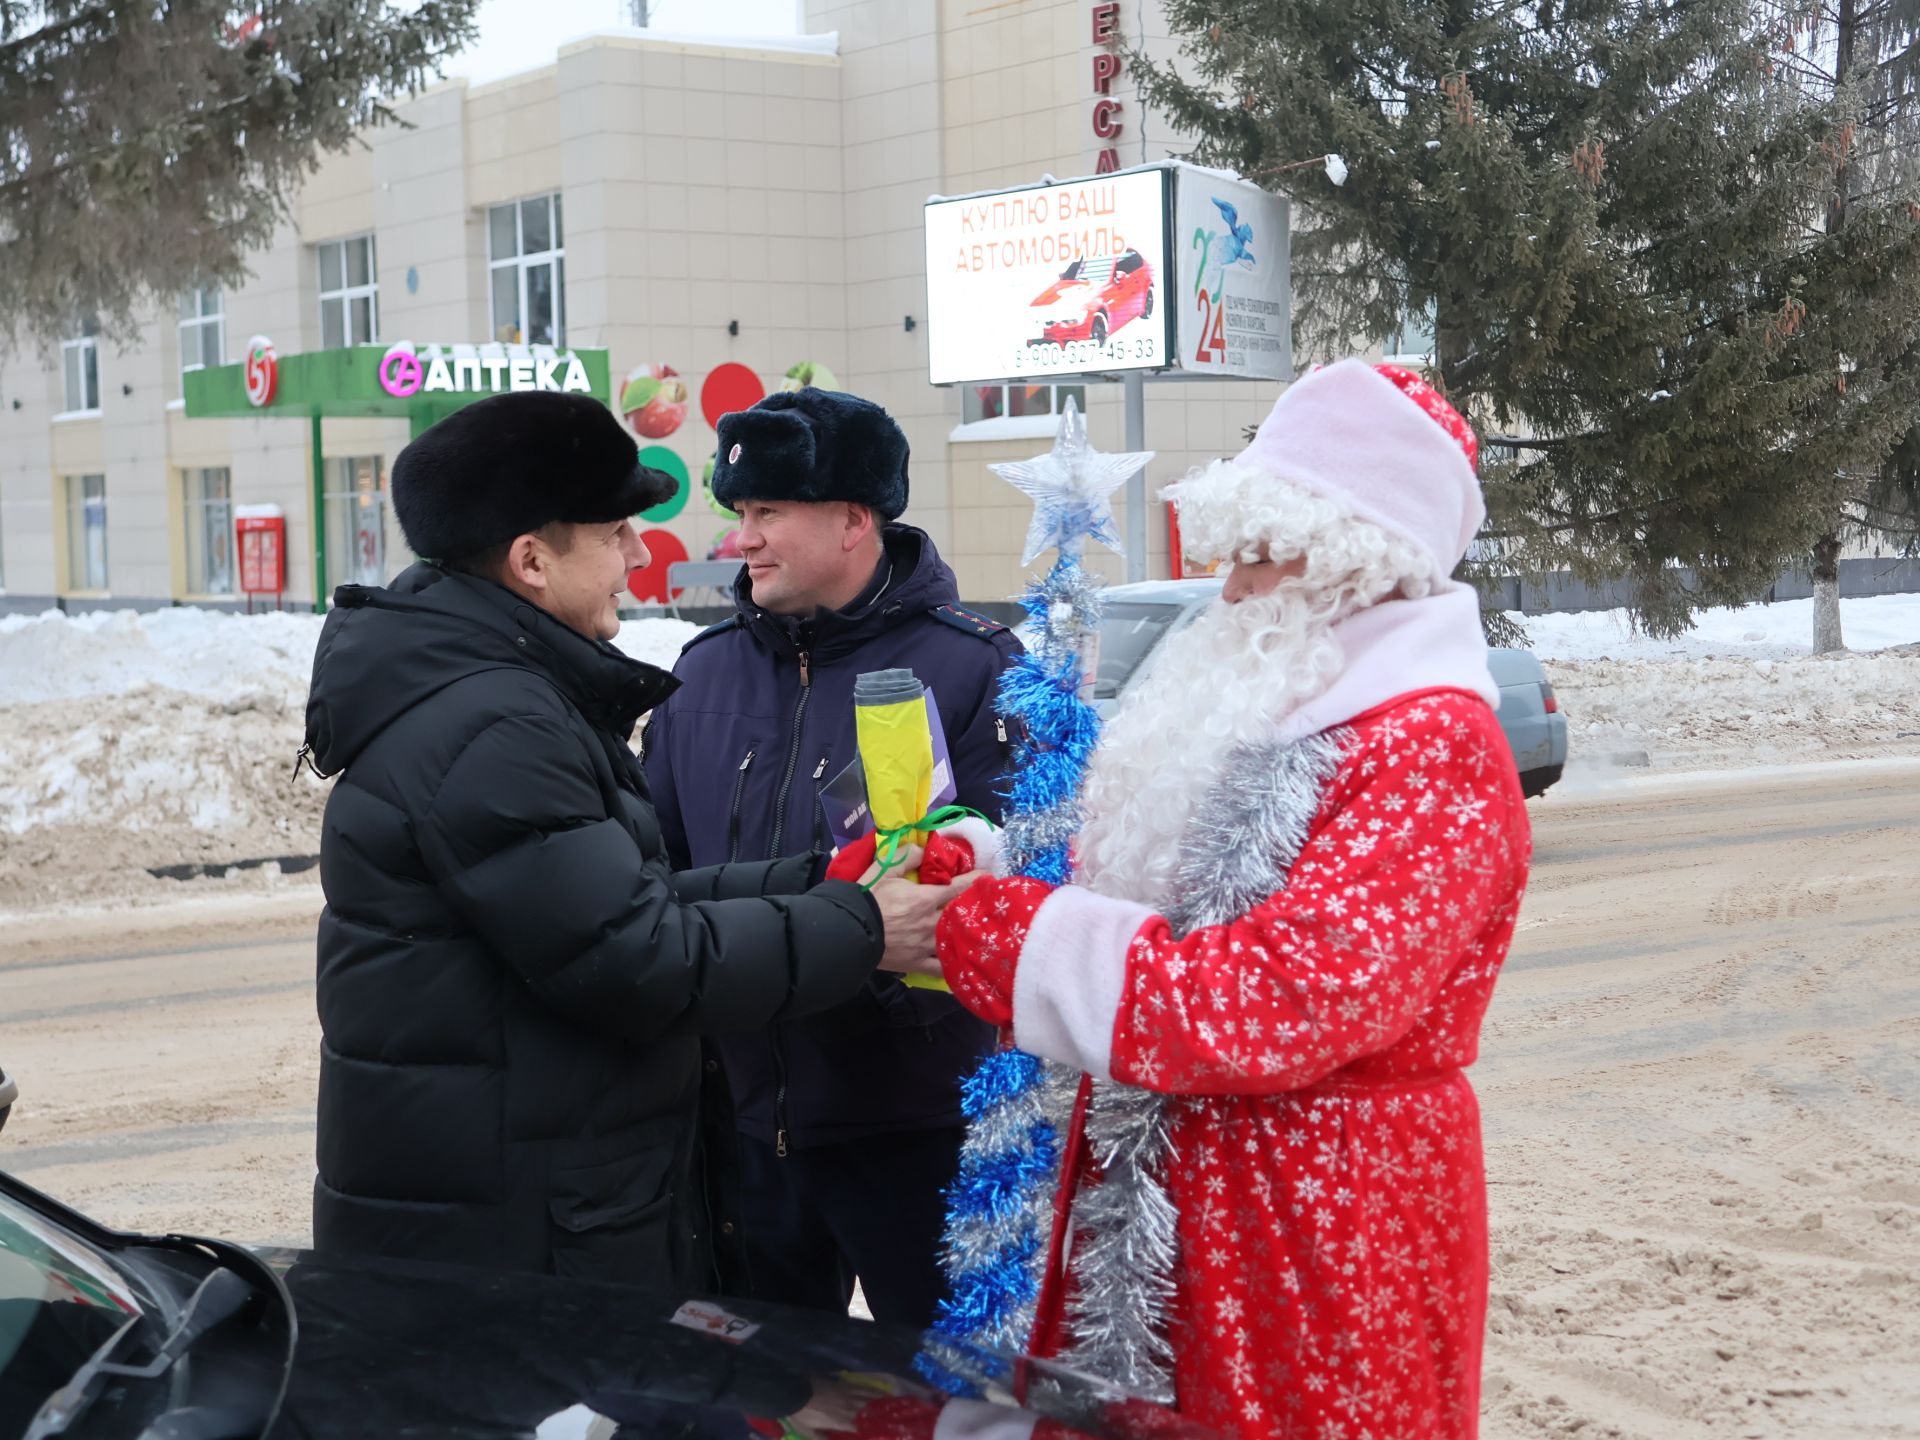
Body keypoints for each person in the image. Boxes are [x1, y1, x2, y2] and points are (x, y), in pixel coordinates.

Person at [903, 361, 1533, 1440]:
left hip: (1322, 1225)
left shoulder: (1432, 743)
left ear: (1358, 562)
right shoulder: (1285, 714)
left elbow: (1272, 998)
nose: (1230, 589)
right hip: (1172, 1201)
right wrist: (996, 876)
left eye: (1261, 553)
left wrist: (1001, 936)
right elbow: (1159, 914)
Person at [301, 390, 961, 1294]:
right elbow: (638, 954)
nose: (641, 556)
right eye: (616, 533)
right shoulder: (494, 723)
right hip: (509, 1228)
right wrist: (862, 926)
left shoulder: (493, 694)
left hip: (509, 1194)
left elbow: (624, 901)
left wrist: (822, 880)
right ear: (531, 560)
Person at [642, 387, 1020, 1327]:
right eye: (741, 514)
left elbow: (1009, 897)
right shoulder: (700, 673)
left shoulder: (977, 671)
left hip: (919, 1136)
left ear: (855, 519)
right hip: (739, 1139)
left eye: (768, 512)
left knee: (947, 1406)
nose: (744, 539)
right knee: (757, 1405)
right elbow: (657, 879)